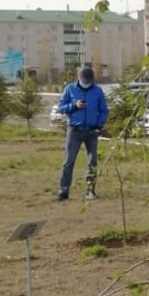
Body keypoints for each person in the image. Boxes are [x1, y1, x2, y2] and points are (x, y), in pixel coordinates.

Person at [56, 65, 108, 201]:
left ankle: (90, 190)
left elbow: (104, 110)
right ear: (79, 78)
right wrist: (74, 105)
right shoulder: (70, 89)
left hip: (92, 131)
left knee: (92, 161)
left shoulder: (97, 91)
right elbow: (60, 108)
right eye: (84, 80)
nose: (87, 83)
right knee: (68, 161)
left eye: (89, 80)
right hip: (74, 130)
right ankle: (63, 191)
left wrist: (99, 125)